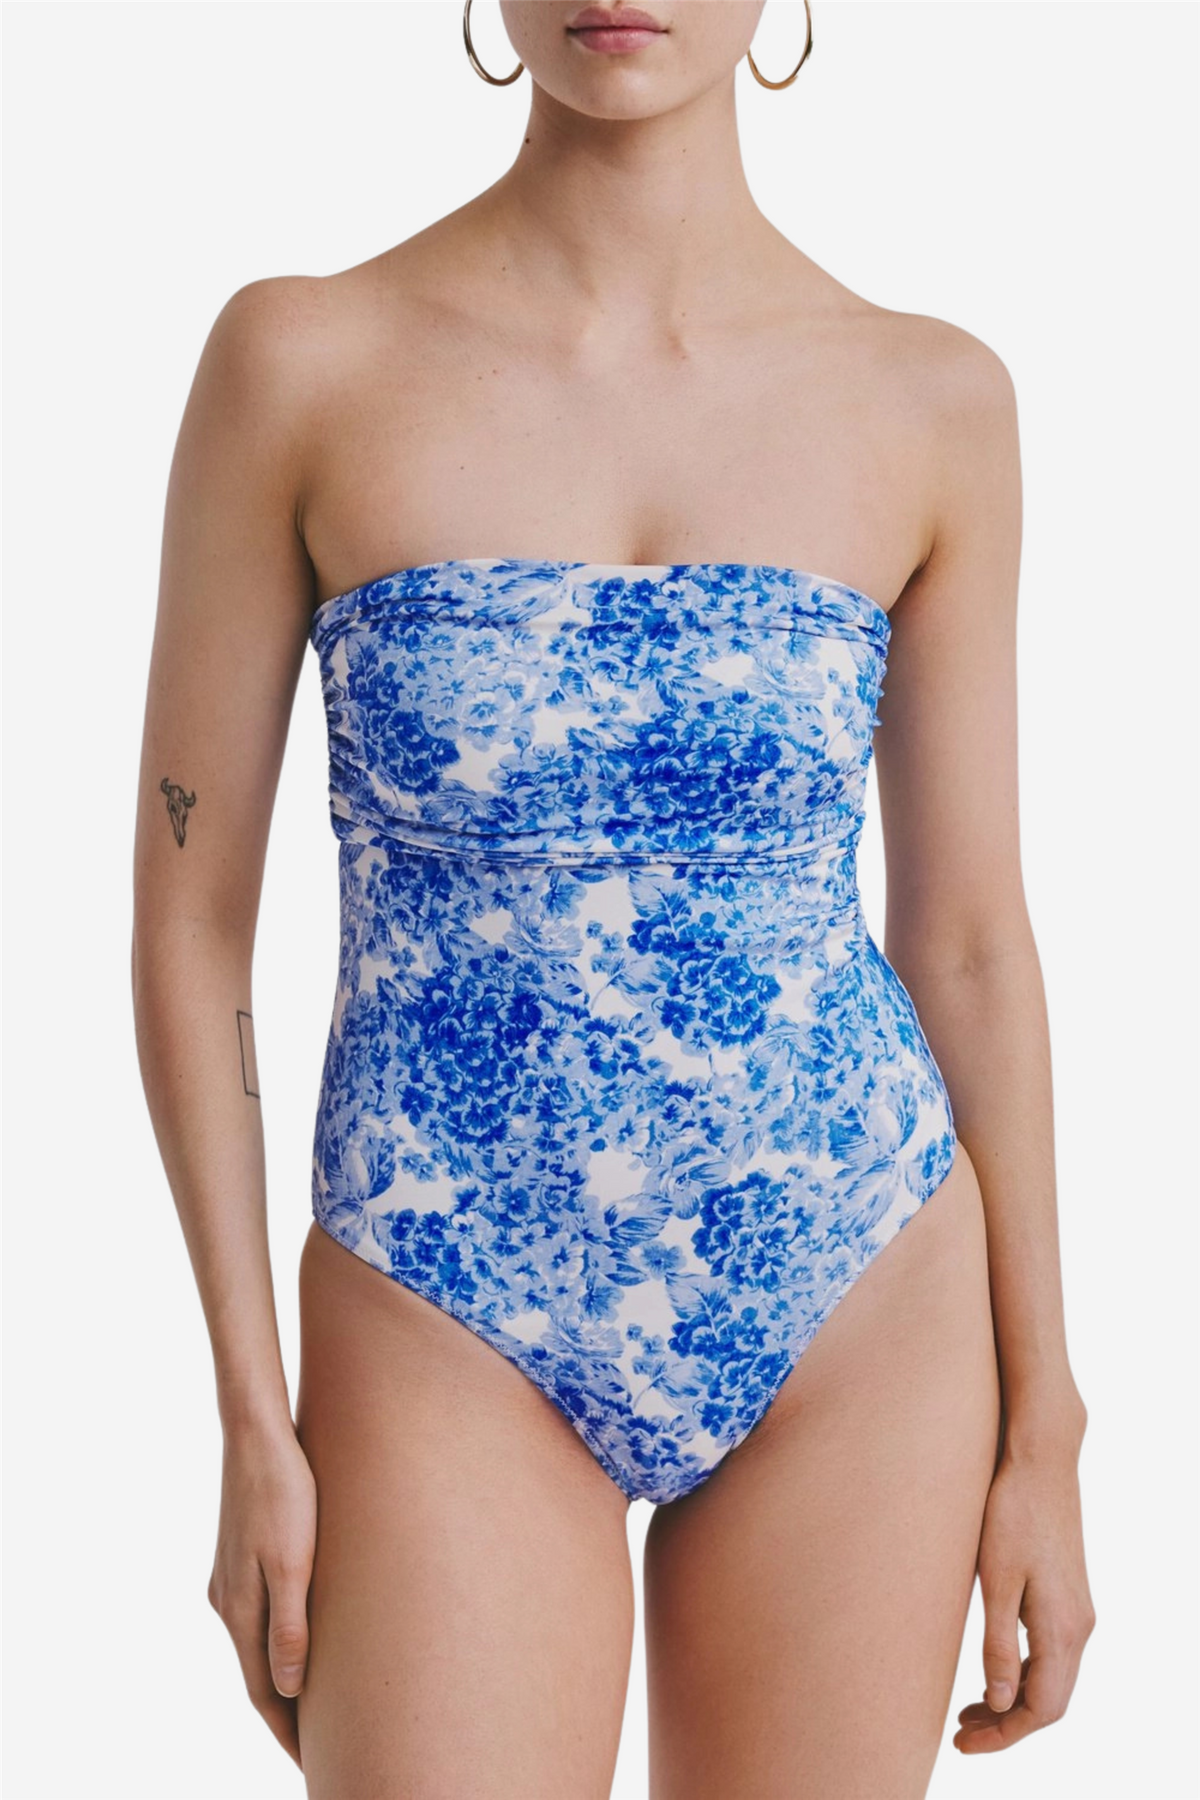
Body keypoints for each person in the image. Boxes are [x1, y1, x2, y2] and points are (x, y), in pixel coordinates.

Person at [130, 2, 1096, 1793]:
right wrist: (249, 1413)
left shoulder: (933, 398)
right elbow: (191, 930)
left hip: (857, 1280)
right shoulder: (303, 361)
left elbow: (967, 938)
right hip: (439, 1288)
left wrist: (1049, 1424)